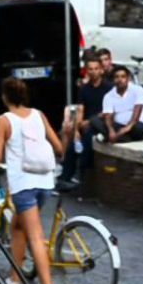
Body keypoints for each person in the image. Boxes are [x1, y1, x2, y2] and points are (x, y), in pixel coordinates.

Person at [0, 77, 63, 284]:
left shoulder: (4, 120)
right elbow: (58, 147)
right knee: (18, 226)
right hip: (45, 182)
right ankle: (14, 278)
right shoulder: (39, 115)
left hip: (23, 185)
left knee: (35, 236)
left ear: (5, 97)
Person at [58, 56, 113, 189]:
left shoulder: (108, 88)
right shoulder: (84, 89)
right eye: (90, 69)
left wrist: (89, 121)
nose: (93, 72)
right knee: (72, 146)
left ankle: (84, 176)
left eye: (96, 69)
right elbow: (81, 109)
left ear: (101, 70)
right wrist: (76, 130)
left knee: (87, 141)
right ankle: (65, 178)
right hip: (87, 125)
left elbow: (108, 110)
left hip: (101, 123)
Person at [94, 65, 143, 143]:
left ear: (128, 79)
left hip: (135, 126)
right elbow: (108, 115)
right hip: (119, 126)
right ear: (113, 80)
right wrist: (111, 131)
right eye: (116, 77)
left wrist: (127, 128)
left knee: (139, 128)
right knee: (95, 120)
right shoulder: (108, 96)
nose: (120, 80)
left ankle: (111, 137)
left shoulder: (138, 90)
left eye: (123, 77)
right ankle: (121, 138)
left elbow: (137, 112)